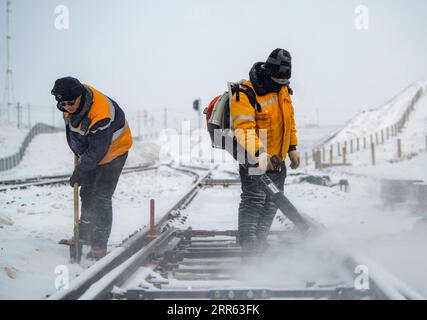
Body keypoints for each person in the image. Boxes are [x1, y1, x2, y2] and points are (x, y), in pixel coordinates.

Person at [51, 77, 133, 260]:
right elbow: (76, 133)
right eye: (62, 103)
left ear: (80, 96)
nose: (67, 107)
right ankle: (84, 236)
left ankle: (98, 245)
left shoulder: (100, 113)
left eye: (71, 103)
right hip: (92, 152)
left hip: (114, 152)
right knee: (87, 193)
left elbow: (98, 150)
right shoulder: (70, 105)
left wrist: (81, 169)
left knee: (101, 197)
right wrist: (80, 155)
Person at [230, 48, 300, 255]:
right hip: (254, 159)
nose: (282, 85)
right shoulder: (245, 93)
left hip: (277, 160)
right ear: (269, 73)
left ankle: (259, 245)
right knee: (254, 201)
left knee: (272, 204)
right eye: (279, 81)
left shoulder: (284, 90)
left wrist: (292, 148)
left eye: (285, 82)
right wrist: (261, 155)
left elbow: (289, 122)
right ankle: (248, 249)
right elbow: (244, 130)